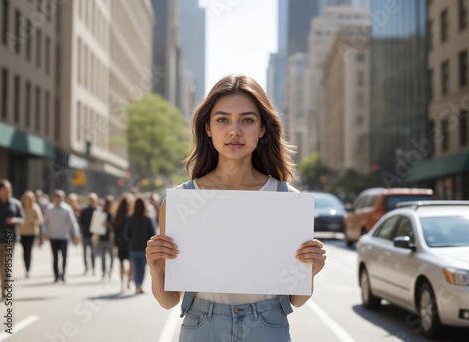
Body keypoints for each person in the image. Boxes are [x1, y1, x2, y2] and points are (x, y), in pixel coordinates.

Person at [146, 75, 327, 341]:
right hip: (201, 326)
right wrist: (156, 268)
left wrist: (311, 269)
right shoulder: (179, 203)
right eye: (222, 119)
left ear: (262, 129)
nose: (234, 131)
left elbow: (297, 299)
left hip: (268, 326)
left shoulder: (288, 200)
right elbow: (168, 301)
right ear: (207, 127)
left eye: (247, 120)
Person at [43, 190, 80, 283]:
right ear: (53, 198)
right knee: (55, 257)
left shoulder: (67, 209)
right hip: (53, 236)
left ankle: (63, 275)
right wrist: (45, 232)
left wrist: (76, 234)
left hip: (64, 236)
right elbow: (44, 223)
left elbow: (73, 223)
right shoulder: (49, 209)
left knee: (64, 256)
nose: (57, 199)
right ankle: (56, 275)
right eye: (56, 197)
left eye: (59, 197)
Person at [0, 180, 23, 299]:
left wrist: (15, 220)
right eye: (5, 189)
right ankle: (4, 286)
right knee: (0, 265)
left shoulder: (16, 204)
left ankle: (5, 289)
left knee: (6, 264)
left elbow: (22, 219)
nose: (8, 191)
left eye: (9, 189)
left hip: (10, 239)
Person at [125, 196, 155, 294]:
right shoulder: (148, 219)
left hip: (133, 247)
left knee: (136, 268)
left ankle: (137, 285)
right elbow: (152, 234)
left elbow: (126, 235)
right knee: (142, 269)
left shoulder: (130, 218)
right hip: (144, 248)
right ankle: (139, 285)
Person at [17, 191, 44, 278]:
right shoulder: (20, 207)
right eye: (26, 198)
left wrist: (34, 221)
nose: (27, 200)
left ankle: (28, 269)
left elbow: (40, 220)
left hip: (31, 233)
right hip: (22, 232)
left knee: (28, 251)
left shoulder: (35, 208)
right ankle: (26, 267)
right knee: (24, 251)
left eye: (29, 198)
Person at [113, 194, 133, 291]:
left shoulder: (117, 216)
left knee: (121, 262)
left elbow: (114, 230)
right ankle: (129, 280)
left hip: (120, 242)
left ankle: (122, 282)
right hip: (129, 242)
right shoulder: (130, 216)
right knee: (130, 262)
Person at [78, 193, 99, 275]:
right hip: (87, 234)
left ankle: (92, 268)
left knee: (91, 253)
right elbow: (81, 222)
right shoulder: (87, 210)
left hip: (92, 235)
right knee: (87, 252)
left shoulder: (97, 210)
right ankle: (88, 267)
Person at [98, 195, 114, 280]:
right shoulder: (104, 213)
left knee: (106, 255)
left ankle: (107, 271)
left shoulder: (111, 213)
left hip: (106, 237)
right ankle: (106, 271)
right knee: (106, 255)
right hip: (105, 237)